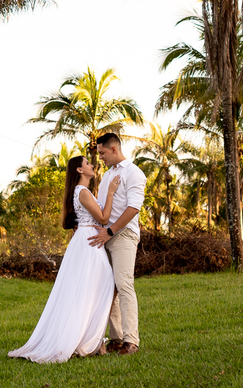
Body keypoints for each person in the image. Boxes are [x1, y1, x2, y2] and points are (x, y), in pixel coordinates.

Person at [8, 156, 121, 363]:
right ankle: (91, 340)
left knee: (96, 288)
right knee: (99, 287)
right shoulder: (83, 192)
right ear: (79, 170)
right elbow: (104, 218)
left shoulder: (83, 192)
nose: (92, 166)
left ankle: (94, 340)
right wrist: (112, 192)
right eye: (88, 164)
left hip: (88, 241)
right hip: (89, 244)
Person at [88, 132, 146, 355]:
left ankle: (131, 341)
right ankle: (116, 338)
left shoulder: (134, 173)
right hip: (105, 237)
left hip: (122, 236)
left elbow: (133, 208)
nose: (100, 157)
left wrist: (110, 231)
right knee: (108, 288)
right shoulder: (106, 178)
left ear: (114, 149)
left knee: (124, 283)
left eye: (102, 153)